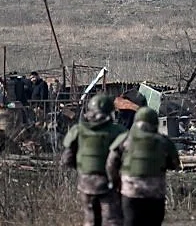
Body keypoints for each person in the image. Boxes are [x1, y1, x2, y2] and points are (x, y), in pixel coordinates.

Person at [106, 107, 180, 226]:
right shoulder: (164, 141)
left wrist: (115, 183)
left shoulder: (124, 139)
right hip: (155, 194)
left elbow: (111, 164)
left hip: (130, 193)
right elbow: (175, 165)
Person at [61, 95, 127, 226]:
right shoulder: (119, 131)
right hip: (109, 183)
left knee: (91, 219)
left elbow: (66, 159)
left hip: (86, 182)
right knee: (112, 220)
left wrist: (83, 168)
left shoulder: (78, 130)